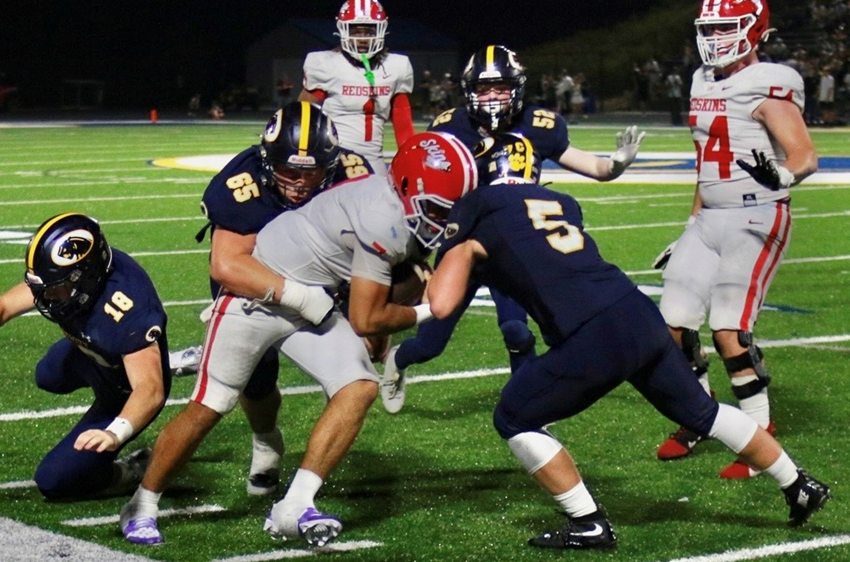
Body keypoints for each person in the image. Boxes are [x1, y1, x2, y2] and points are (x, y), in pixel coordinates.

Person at [425, 135, 829, 550]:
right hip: (635, 311)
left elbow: (440, 304)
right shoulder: (561, 201)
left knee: (514, 418)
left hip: (593, 332)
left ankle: (589, 523)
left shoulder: (475, 210)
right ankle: (798, 484)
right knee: (704, 412)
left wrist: (447, 252)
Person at [118, 131, 478, 546]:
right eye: (437, 206)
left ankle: (294, 506)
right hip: (258, 294)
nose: (444, 216)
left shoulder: (390, 198)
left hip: (318, 300)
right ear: (406, 188)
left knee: (358, 387)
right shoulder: (384, 217)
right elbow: (366, 318)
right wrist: (427, 311)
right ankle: (142, 503)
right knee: (212, 403)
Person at [381, 44, 645, 413]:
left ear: (517, 87)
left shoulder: (540, 125)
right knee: (430, 343)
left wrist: (616, 164)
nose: (491, 97)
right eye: (483, 88)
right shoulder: (450, 126)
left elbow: (593, 168)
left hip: (516, 244)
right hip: (466, 240)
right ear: (468, 90)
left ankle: (529, 407)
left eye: (500, 87)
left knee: (517, 331)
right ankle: (398, 360)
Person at [168, 101, 374, 500]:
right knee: (255, 376)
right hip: (256, 276)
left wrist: (368, 310)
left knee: (353, 376)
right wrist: (298, 296)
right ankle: (266, 442)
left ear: (330, 164)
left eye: (310, 170)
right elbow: (227, 265)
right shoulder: (241, 181)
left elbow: (374, 243)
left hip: (328, 277)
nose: (298, 181)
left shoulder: (354, 174)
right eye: (288, 170)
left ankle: (304, 490)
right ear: (267, 161)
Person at [652, 0, 818, 479]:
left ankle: (759, 435)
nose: (718, 35)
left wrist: (783, 176)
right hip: (711, 216)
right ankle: (701, 415)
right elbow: (706, 167)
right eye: (711, 26)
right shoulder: (702, 79)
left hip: (757, 215)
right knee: (674, 327)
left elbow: (805, 154)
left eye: (728, 25)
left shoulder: (771, 80)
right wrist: (689, 227)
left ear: (754, 28)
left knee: (729, 332)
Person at [0, 213, 171, 500]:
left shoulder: (128, 307)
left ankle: (130, 471)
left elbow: (150, 391)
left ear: (87, 276)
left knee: (55, 481)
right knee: (48, 375)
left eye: (56, 288)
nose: (48, 298)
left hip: (124, 389)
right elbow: (4, 306)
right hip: (90, 354)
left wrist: (115, 433)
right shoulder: (70, 275)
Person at [298, 0, 415, 175]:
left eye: (368, 31)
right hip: (332, 159)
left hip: (374, 161)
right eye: (355, 30)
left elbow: (403, 126)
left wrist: (412, 162)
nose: (362, 37)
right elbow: (302, 116)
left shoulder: (396, 66)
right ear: (343, 30)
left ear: (381, 30)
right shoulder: (326, 64)